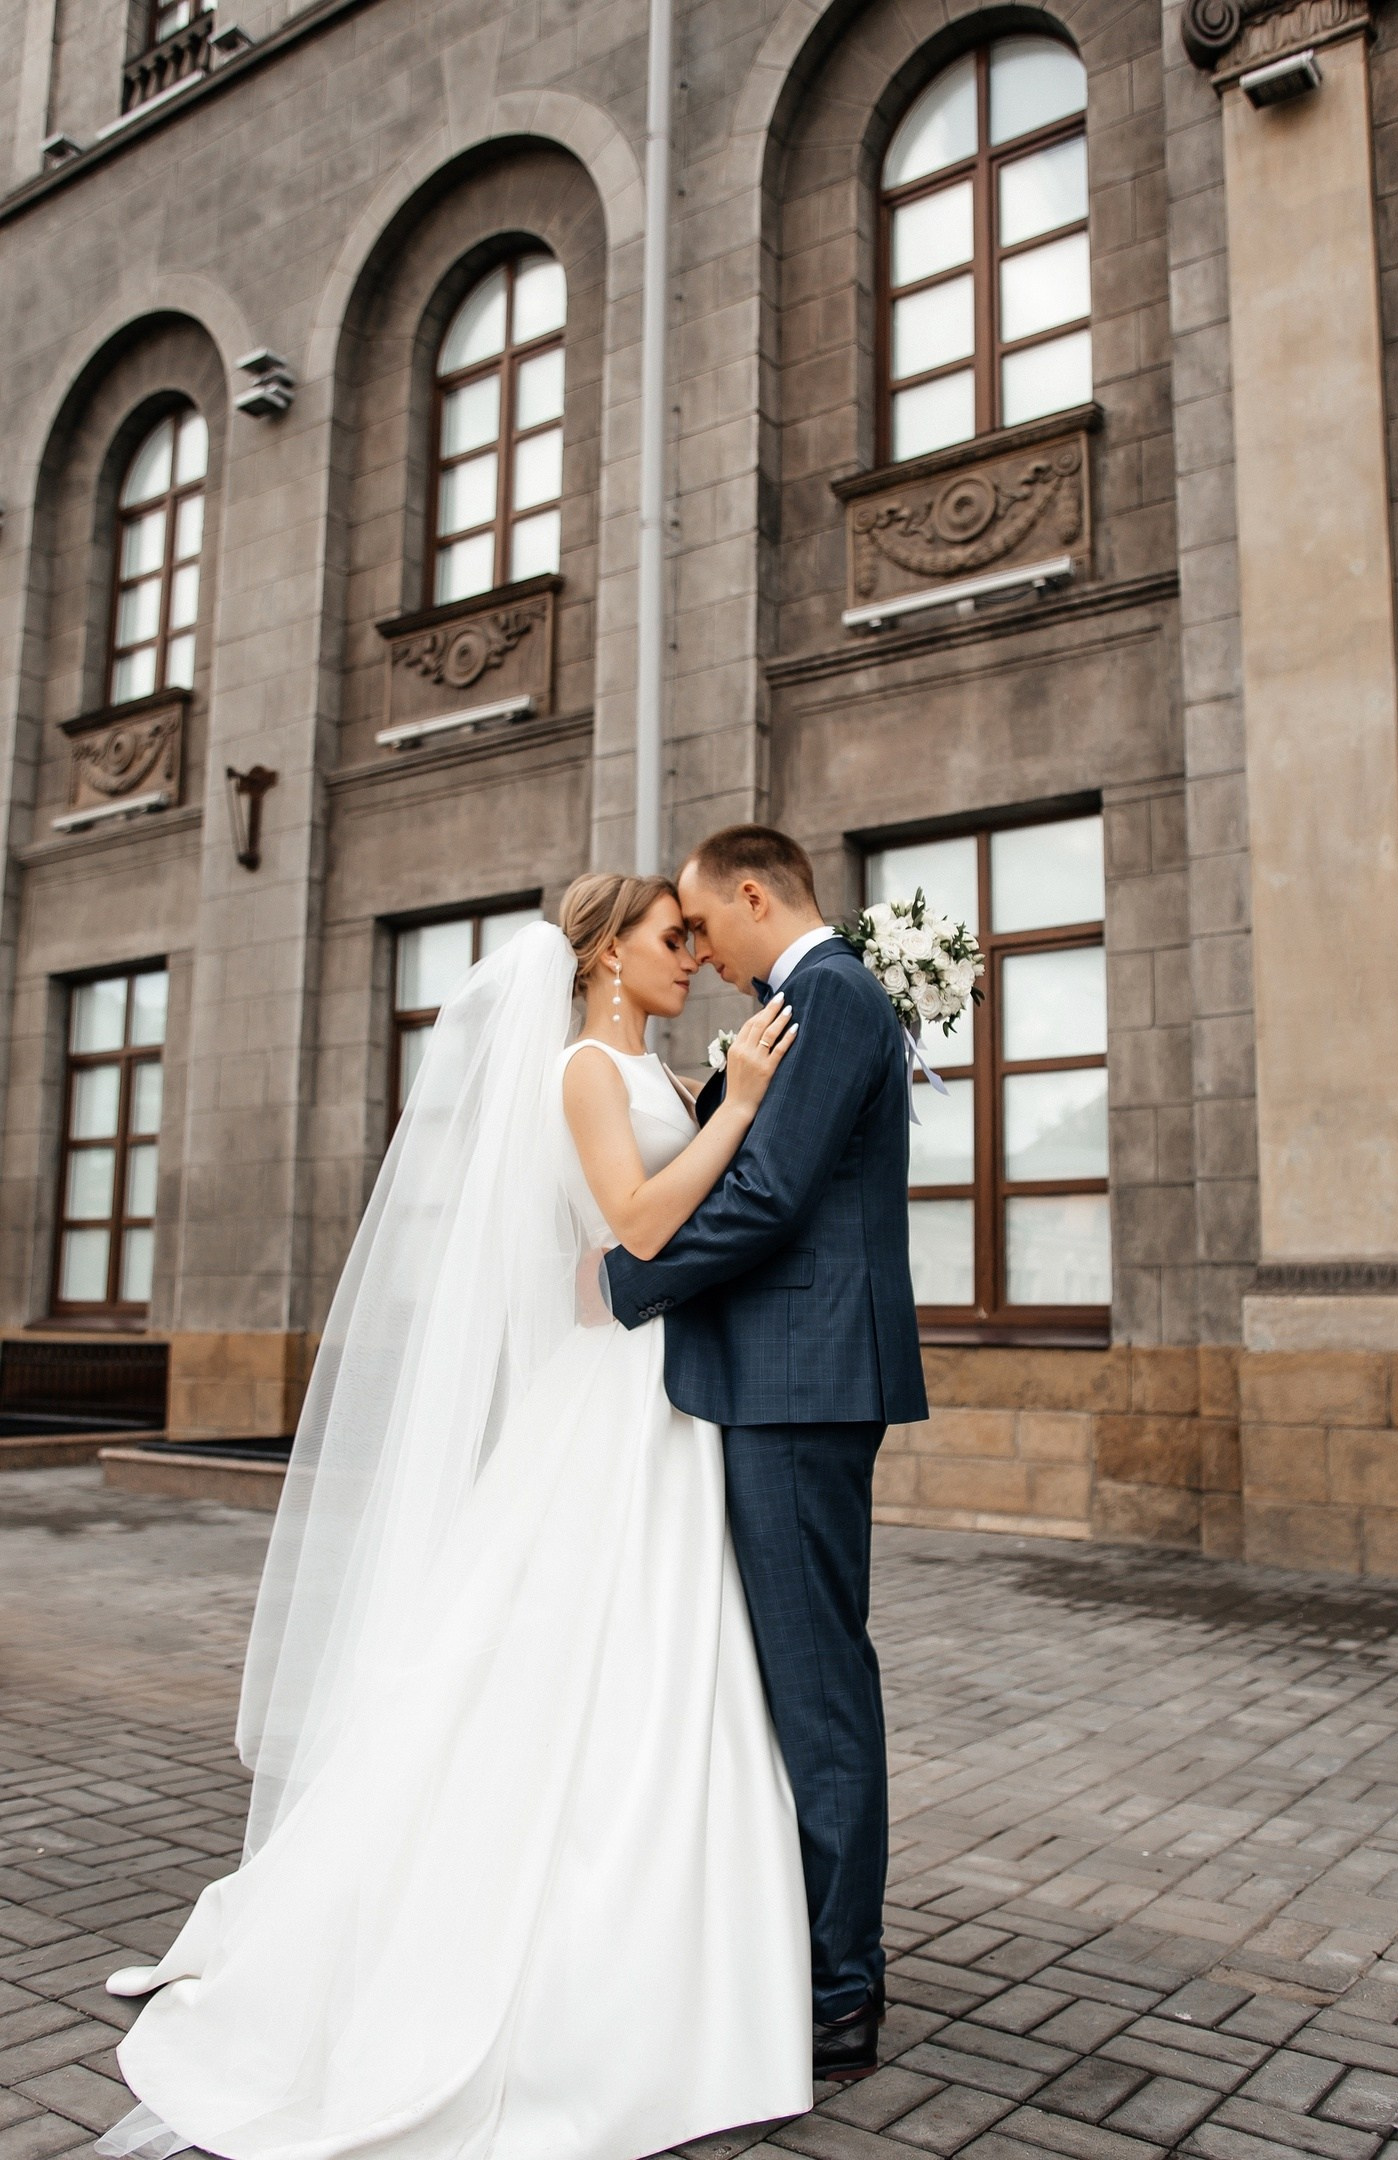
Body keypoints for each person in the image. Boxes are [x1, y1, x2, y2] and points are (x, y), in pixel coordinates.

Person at [95, 875, 815, 2160]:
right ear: (603, 958)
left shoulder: (653, 1073)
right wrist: (744, 1110)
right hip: (619, 1394)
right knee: (589, 1653)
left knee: (665, 1658)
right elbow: (641, 1223)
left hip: (663, 1383)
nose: (693, 957)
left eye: (696, 936)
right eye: (670, 938)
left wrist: (716, 1107)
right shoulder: (586, 1074)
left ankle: (678, 1937)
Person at [602, 825, 928, 2083]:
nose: (701, 951)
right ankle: (797, 1950)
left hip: (800, 1384)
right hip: (784, 1378)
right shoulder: (813, 999)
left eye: (701, 925)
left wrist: (628, 1280)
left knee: (817, 1685)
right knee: (791, 1677)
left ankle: (840, 1989)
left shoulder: (831, 994)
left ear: (752, 896)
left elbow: (771, 1196)